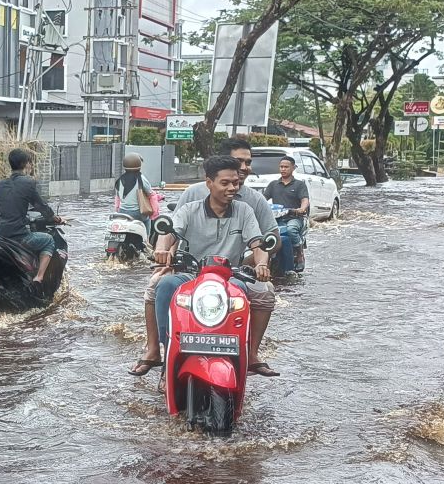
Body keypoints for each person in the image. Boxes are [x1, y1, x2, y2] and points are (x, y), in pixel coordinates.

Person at [129, 156, 278, 378]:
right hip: (189, 275)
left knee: (265, 293)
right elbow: (168, 233)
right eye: (225, 183)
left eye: (235, 183)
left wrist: (262, 263)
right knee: (161, 285)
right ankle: (162, 348)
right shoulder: (189, 209)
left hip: (230, 277)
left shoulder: (245, 211)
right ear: (209, 183)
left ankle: (251, 354)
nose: (232, 188)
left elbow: (257, 243)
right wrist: (161, 251)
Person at [0, 148, 61, 288]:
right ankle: (39, 277)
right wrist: (54, 218)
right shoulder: (28, 183)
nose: (30, 166)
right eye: (29, 162)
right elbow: (41, 206)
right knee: (48, 240)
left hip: (0, 237)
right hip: (19, 237)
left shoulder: (0, 184)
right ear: (25, 164)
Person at [262, 156, 311, 273]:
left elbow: (305, 200)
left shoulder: (299, 185)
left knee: (291, 230)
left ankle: (299, 255)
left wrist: (302, 208)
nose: (283, 169)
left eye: (286, 167)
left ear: (293, 168)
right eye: (281, 167)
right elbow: (263, 199)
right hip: (276, 219)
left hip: (295, 218)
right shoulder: (273, 184)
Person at [114, 152, 156, 225]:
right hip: (137, 213)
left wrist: (117, 209)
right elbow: (150, 194)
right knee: (148, 219)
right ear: (139, 166)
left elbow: (118, 197)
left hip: (122, 212)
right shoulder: (141, 179)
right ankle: (147, 236)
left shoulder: (120, 180)